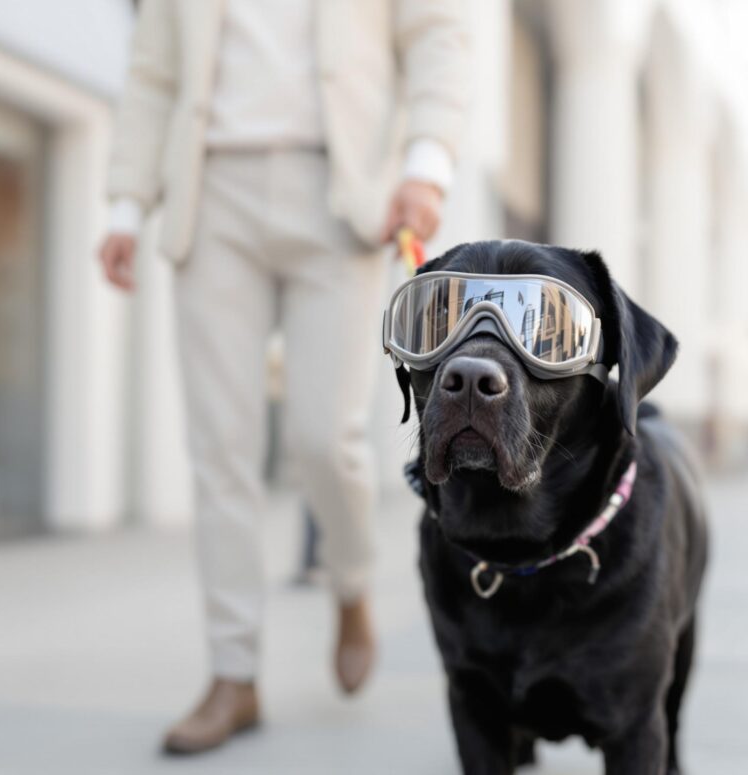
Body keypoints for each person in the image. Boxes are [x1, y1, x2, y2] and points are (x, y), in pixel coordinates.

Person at [98, 0, 470, 756]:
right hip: (211, 192)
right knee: (220, 448)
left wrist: (426, 165)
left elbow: (437, 33)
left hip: (338, 191)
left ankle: (350, 579)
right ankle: (233, 673)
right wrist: (127, 205)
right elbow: (154, 73)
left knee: (323, 439)